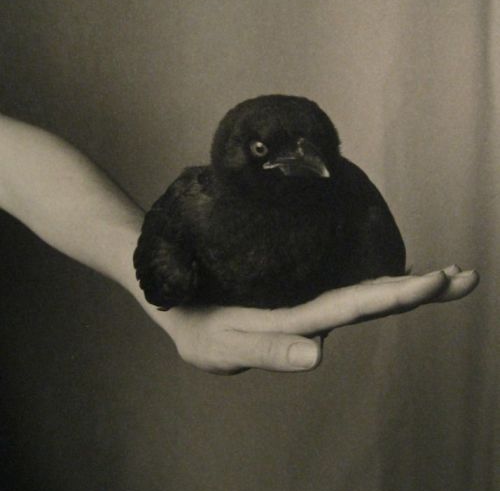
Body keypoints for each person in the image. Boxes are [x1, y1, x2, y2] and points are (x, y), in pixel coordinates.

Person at [0, 112, 479, 374]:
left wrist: (160, 298)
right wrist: (170, 288)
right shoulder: (195, 206)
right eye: (263, 149)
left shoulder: (353, 205)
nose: (307, 160)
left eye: (315, 148)